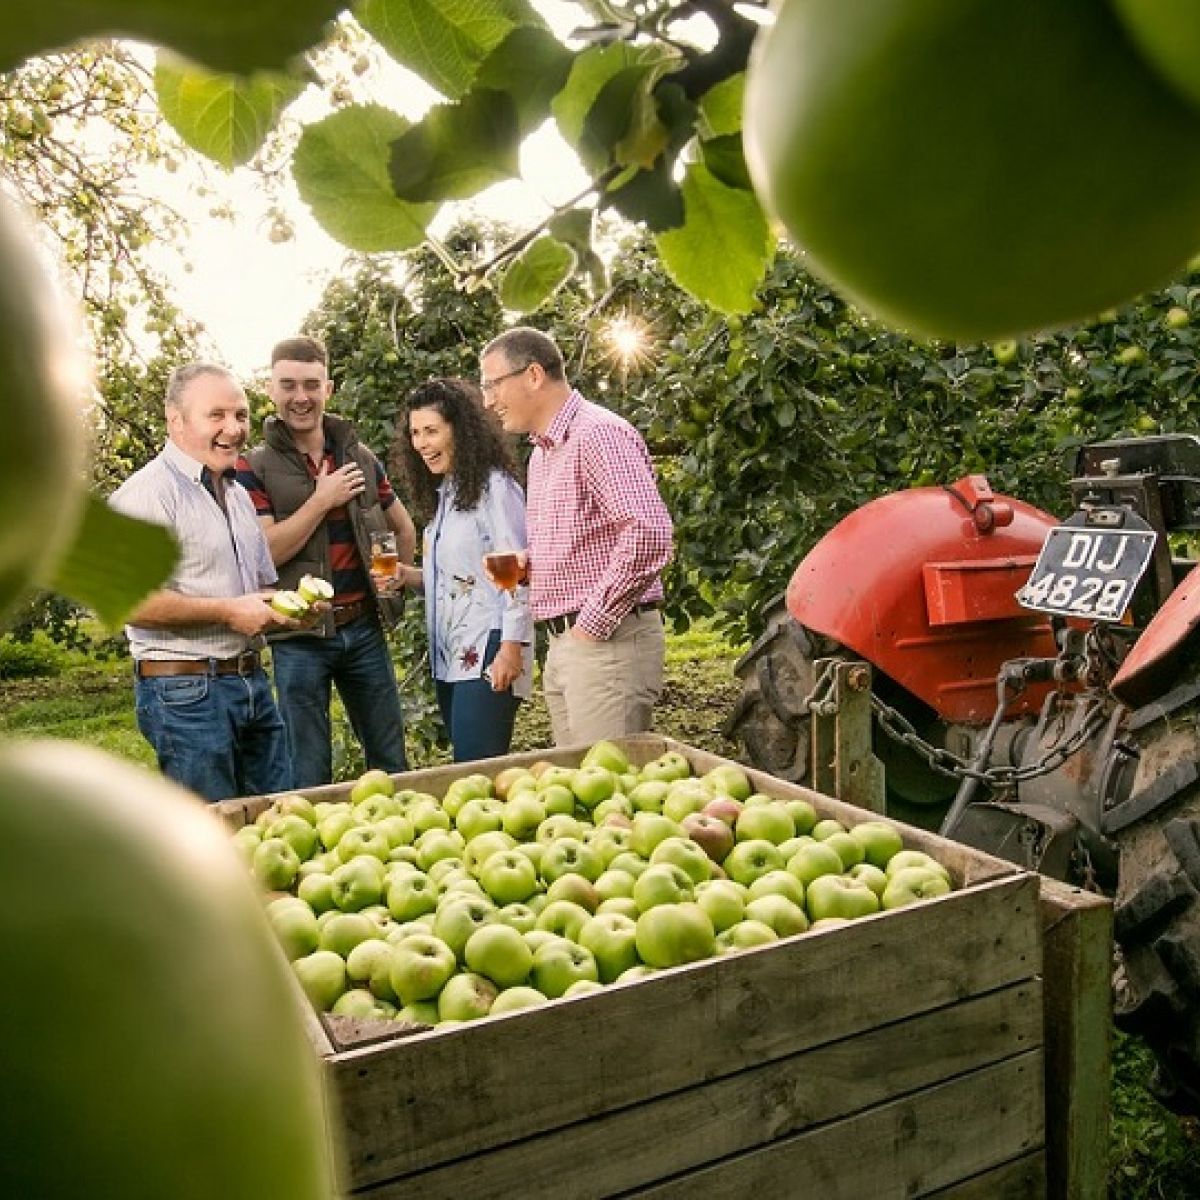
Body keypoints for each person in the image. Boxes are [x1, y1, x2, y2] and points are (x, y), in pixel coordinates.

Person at [108, 362, 298, 802]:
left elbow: (252, 594)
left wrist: (286, 609)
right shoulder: (148, 495)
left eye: (241, 415)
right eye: (217, 415)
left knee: (280, 829)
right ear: (176, 420)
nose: (233, 428)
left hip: (249, 683)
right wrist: (229, 612)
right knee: (214, 838)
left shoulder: (236, 494)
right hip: (186, 694)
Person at [479, 326, 673, 747]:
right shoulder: (544, 454)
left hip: (606, 643)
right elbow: (586, 541)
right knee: (579, 789)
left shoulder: (597, 433)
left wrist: (591, 626)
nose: (487, 401)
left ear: (533, 375)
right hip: (567, 643)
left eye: (493, 385)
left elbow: (649, 533)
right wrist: (531, 565)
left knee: (612, 793)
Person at [236, 335, 416, 788]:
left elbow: (405, 529)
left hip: (363, 629)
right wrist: (321, 500)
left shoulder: (360, 457)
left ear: (329, 389)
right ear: (270, 389)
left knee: (390, 761)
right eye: (289, 385)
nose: (301, 397)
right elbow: (268, 553)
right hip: (298, 638)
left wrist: (390, 579)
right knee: (309, 770)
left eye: (312, 385)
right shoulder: (251, 468)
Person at [392, 378, 533, 762]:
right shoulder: (447, 496)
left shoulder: (494, 488)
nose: (422, 443)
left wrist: (510, 647)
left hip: (489, 644)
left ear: (461, 430)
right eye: (416, 433)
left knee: (477, 771)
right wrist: (408, 576)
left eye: (432, 431)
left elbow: (516, 571)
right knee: (467, 772)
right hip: (450, 654)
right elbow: (457, 580)